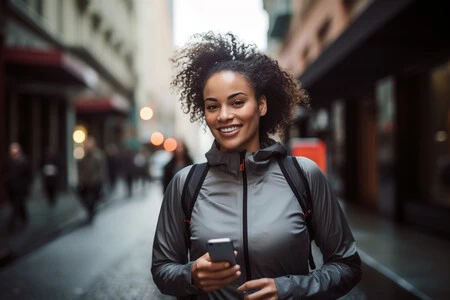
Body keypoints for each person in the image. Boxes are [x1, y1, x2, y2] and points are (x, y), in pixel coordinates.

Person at [151, 32, 361, 299]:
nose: (224, 115)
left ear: (261, 105)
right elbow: (161, 269)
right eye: (212, 106)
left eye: (237, 102)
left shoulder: (303, 176)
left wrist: (288, 289)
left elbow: (348, 265)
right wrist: (191, 275)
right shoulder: (185, 184)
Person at [77, 137, 106, 223]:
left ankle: (92, 212)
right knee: (84, 198)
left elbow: (101, 169)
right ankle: (90, 212)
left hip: (94, 182)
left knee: (93, 199)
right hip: (85, 182)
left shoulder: (98, 156)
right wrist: (81, 178)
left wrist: (99, 178)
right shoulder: (83, 156)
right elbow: (80, 168)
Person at [3, 143, 32, 231]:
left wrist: (26, 187)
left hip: (21, 188)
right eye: (12, 152)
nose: (14, 154)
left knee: (16, 205)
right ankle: (24, 217)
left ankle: (11, 224)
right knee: (19, 205)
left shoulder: (24, 161)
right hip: (11, 188)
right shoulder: (8, 162)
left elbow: (28, 176)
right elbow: (4, 173)